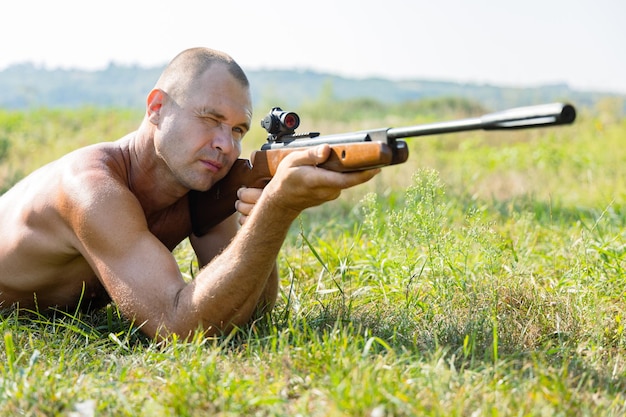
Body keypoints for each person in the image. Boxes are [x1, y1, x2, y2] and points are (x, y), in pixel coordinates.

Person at [0, 47, 379, 340]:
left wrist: (264, 217)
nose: (225, 145)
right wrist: (277, 208)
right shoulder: (90, 187)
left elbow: (249, 313)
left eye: (237, 130)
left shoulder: (202, 183)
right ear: (157, 108)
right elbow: (177, 328)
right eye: (210, 119)